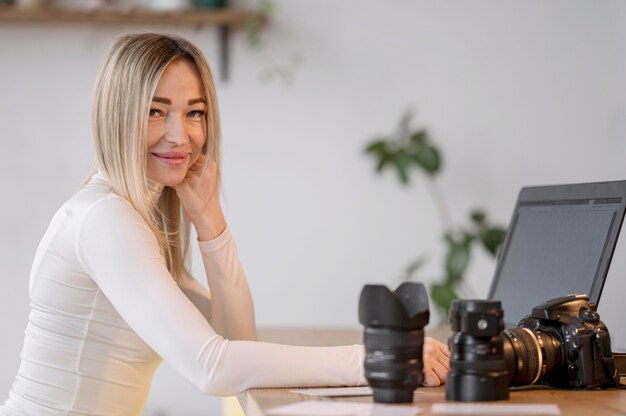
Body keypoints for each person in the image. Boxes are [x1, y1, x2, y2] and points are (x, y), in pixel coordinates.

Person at [0, 33, 449, 415]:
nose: (181, 135)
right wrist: (373, 359)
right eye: (156, 111)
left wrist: (211, 222)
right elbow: (212, 366)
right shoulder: (105, 219)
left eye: (194, 112)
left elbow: (235, 338)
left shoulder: (135, 215)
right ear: (117, 116)